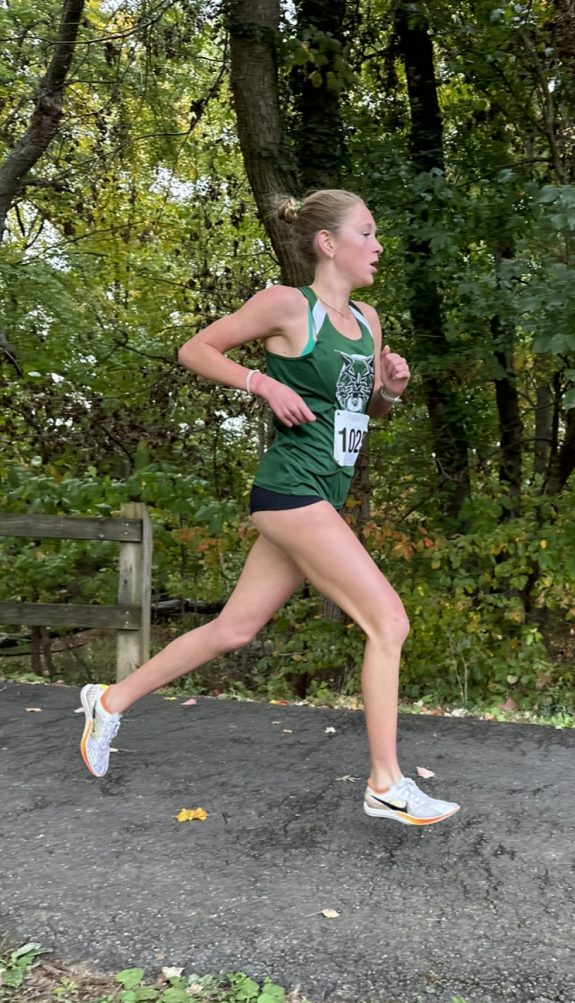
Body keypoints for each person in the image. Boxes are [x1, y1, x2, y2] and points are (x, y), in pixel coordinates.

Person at [78, 189, 459, 827]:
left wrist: (391, 391)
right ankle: (386, 783)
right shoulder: (288, 306)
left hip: (323, 493)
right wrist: (265, 383)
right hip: (292, 490)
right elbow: (196, 349)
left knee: (234, 629)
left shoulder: (367, 320)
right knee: (388, 623)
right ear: (328, 243)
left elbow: (360, 416)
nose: (378, 245)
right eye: (367, 233)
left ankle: (109, 700)